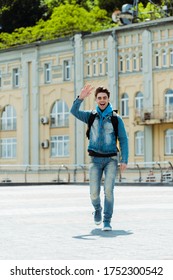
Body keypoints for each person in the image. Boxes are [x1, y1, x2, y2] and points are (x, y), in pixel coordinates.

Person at [70, 84, 128, 231]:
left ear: (108, 99)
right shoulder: (90, 116)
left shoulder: (116, 119)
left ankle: (107, 220)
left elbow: (123, 139)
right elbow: (74, 111)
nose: (102, 100)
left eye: (105, 98)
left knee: (108, 190)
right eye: (99, 98)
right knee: (93, 192)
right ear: (96, 100)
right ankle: (97, 209)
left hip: (111, 160)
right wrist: (80, 98)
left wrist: (124, 159)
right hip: (95, 160)